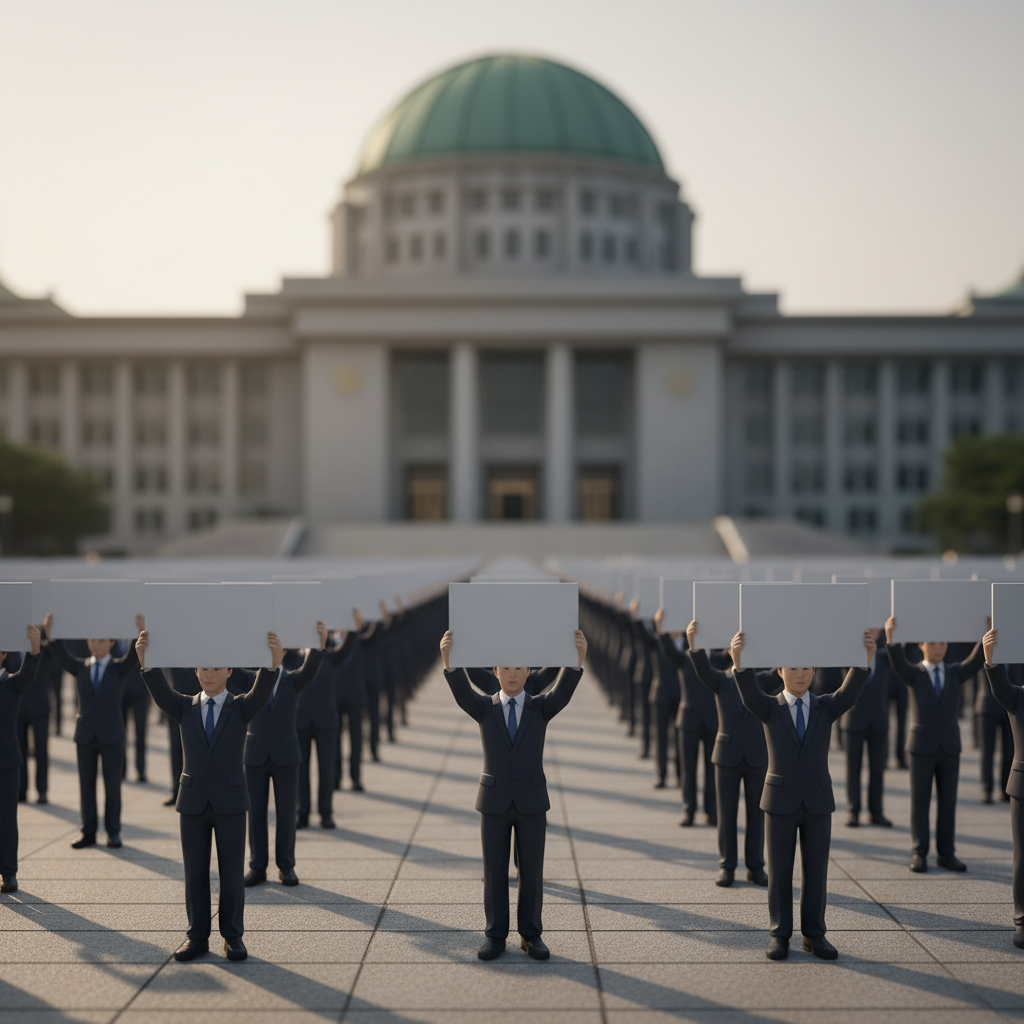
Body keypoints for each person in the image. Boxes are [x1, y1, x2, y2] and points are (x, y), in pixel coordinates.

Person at [440, 627, 587, 962]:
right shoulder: (484, 707)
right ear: (495, 672)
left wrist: (577, 659)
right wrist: (448, 660)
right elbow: (462, 693)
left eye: (519, 668)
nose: (512, 674)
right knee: (494, 871)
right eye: (505, 668)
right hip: (493, 802)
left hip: (531, 802)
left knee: (531, 870)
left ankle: (531, 934)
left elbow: (563, 693)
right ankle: (495, 935)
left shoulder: (540, 707)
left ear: (528, 671)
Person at [135, 627, 278, 963]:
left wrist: (272, 663)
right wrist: (145, 661)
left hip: (231, 803)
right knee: (195, 872)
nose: (210, 674)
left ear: (230, 671)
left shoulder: (241, 707)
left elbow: (261, 692)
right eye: (204, 668)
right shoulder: (183, 706)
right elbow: (160, 691)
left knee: (232, 873)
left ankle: (233, 936)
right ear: (195, 672)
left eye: (217, 668)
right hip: (193, 803)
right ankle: (197, 936)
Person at [734, 627, 874, 961]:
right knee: (780, 872)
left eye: (807, 668)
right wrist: (738, 663)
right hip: (779, 803)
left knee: (816, 870)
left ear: (814, 671)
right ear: (780, 671)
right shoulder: (770, 707)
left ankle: (814, 934)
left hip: (817, 803)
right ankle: (779, 934)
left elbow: (849, 694)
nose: (800, 673)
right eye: (793, 667)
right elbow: (749, 696)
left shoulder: (825, 707)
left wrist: (864, 659)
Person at [885, 615, 985, 873]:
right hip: (920, 748)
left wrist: (985, 634)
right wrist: (892, 639)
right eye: (932, 643)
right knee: (920, 802)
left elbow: (976, 661)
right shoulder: (914, 674)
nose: (938, 648)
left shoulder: (955, 672)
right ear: (921, 645)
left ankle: (946, 853)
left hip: (950, 747)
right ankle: (919, 852)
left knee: (948, 802)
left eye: (942, 643)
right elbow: (897, 662)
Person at [682, 617, 776, 887]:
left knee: (757, 814)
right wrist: (693, 643)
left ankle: (756, 866)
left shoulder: (763, 680)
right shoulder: (720, 680)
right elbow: (702, 668)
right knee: (726, 814)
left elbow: (781, 668)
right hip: (726, 758)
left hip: (757, 756)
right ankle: (727, 866)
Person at [43, 612, 141, 849]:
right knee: (86, 786)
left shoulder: (118, 669)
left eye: (101, 640)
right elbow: (61, 655)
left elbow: (134, 655)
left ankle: (113, 832)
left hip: (111, 736)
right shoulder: (81, 667)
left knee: (112, 787)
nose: (95, 644)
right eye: (92, 640)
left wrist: (139, 632)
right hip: (85, 736)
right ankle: (88, 831)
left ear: (111, 643)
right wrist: (50, 633)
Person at [240, 623, 327, 887]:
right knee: (255, 814)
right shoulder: (248, 679)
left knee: (287, 814)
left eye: (275, 647)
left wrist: (319, 644)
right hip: (255, 755)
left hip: (286, 757)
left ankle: (286, 866)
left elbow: (310, 669)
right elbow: (226, 666)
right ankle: (257, 866)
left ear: (284, 651)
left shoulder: (292, 680)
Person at [980, 628, 1024, 946]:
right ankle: (1022, 919)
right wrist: (991, 658)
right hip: (1023, 788)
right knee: (1022, 857)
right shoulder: (1017, 696)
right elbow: (1000, 688)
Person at [1, 626, 42, 893]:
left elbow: (29, 671)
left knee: (7, 819)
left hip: (7, 760)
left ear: (3, 654)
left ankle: (9, 872)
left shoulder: (13, 683)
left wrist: (35, 646)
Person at [842, 629, 893, 828]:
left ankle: (876, 811)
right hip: (854, 719)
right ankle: (853, 810)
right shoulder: (850, 652)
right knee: (853, 769)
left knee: (877, 769)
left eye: (876, 627)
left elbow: (905, 652)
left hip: (878, 720)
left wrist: (892, 635)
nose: (873, 630)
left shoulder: (886, 654)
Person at [17, 643, 54, 805]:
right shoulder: (10, 650)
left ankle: (42, 790)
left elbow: (55, 647)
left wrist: (43, 635)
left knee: (41, 750)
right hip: (18, 708)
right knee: (19, 750)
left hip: (40, 706)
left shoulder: (44, 649)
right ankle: (21, 790)